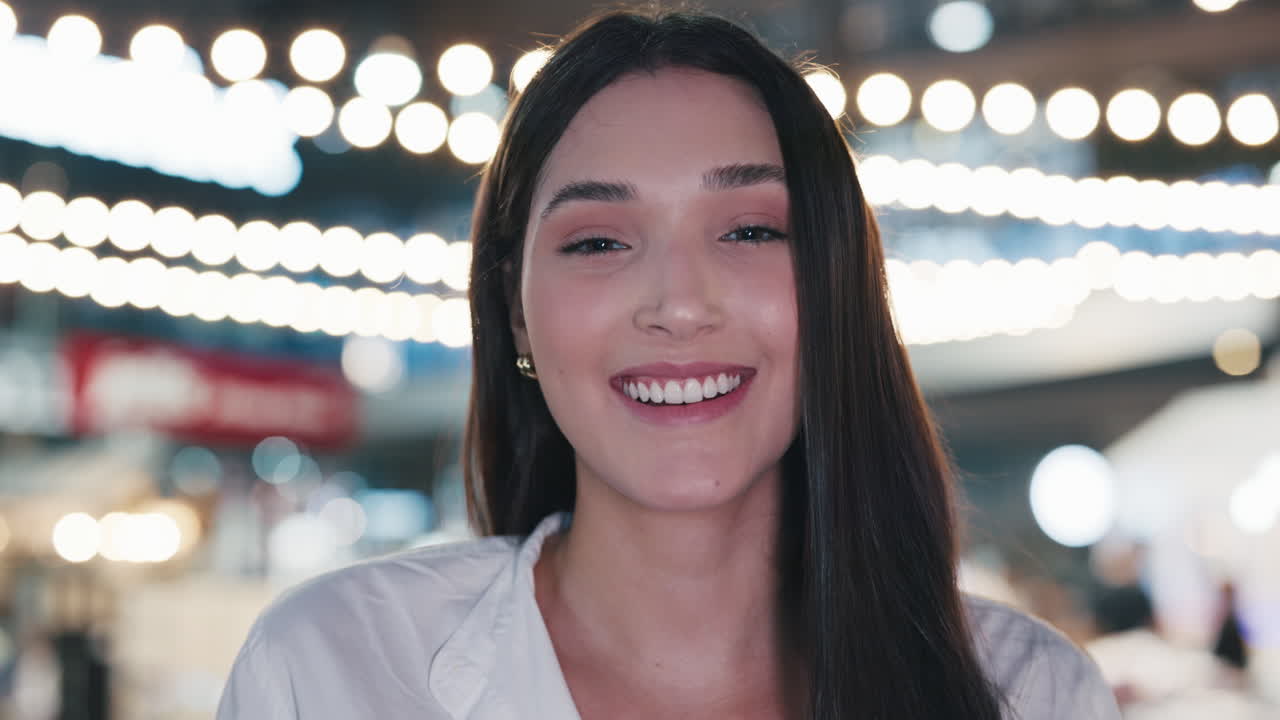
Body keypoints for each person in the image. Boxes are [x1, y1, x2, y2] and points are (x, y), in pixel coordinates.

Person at [217, 9, 1121, 719]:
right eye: (601, 239)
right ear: (515, 313)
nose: (680, 304)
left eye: (751, 230)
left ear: (838, 286)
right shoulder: (332, 670)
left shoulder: (1034, 696)